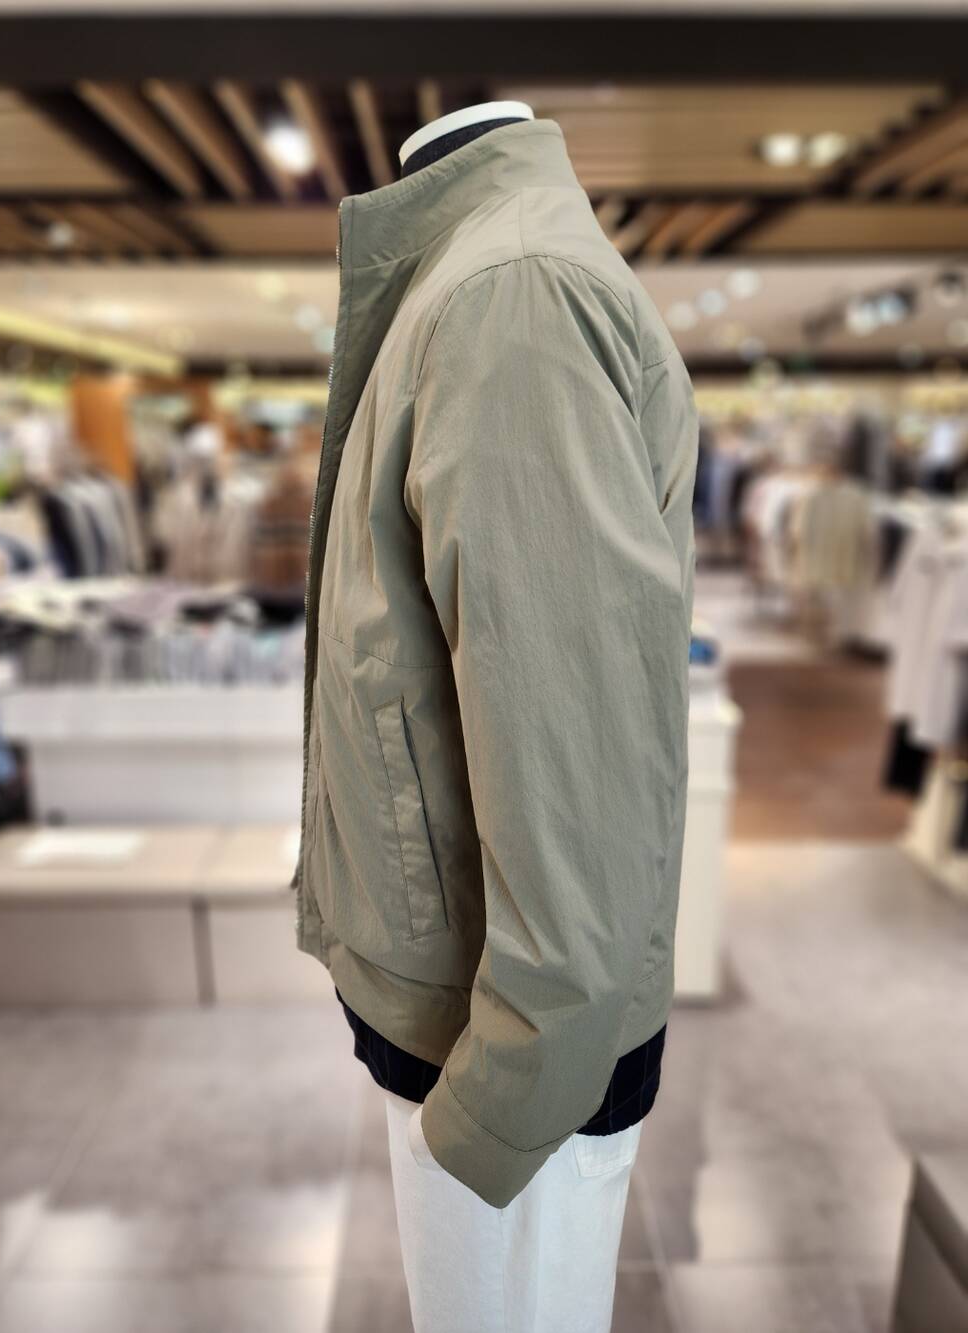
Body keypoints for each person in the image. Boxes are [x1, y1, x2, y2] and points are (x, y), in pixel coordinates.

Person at [292, 106, 697, 1332]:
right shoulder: (476, 281)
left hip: (503, 1039)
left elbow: (571, 738)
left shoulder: (510, 296)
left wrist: (506, 1096)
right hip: (475, 1002)